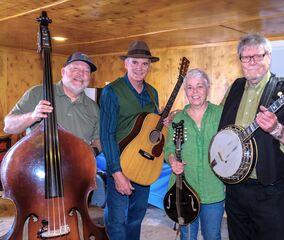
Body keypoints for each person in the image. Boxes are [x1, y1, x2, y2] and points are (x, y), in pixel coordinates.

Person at [219, 33, 284, 240]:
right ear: (240, 61)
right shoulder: (234, 88)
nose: (252, 62)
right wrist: (185, 113)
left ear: (269, 57)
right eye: (246, 58)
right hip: (235, 190)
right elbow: (216, 119)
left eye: (258, 56)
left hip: (271, 193)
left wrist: (277, 130)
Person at [100, 40, 170, 239]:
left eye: (145, 64)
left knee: (136, 218)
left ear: (149, 66)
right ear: (126, 64)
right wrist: (116, 172)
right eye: (135, 63)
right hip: (120, 164)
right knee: (117, 221)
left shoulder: (152, 93)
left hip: (144, 165)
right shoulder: (111, 91)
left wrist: (164, 122)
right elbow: (107, 134)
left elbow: (150, 127)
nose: (140, 68)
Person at [164, 68, 225, 240]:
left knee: (212, 235)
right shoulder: (177, 119)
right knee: (187, 235)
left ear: (208, 88)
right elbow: (168, 149)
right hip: (184, 190)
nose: (195, 92)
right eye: (190, 87)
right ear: (185, 92)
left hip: (214, 189)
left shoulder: (221, 114)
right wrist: (172, 161)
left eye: (199, 86)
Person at [3, 52, 101, 153]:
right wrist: (33, 116)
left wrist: (91, 152)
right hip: (39, 165)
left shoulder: (93, 107)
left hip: (78, 166)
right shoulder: (37, 93)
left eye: (86, 71)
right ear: (63, 72)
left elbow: (98, 139)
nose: (81, 74)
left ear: (90, 77)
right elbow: (8, 127)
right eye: (75, 68)